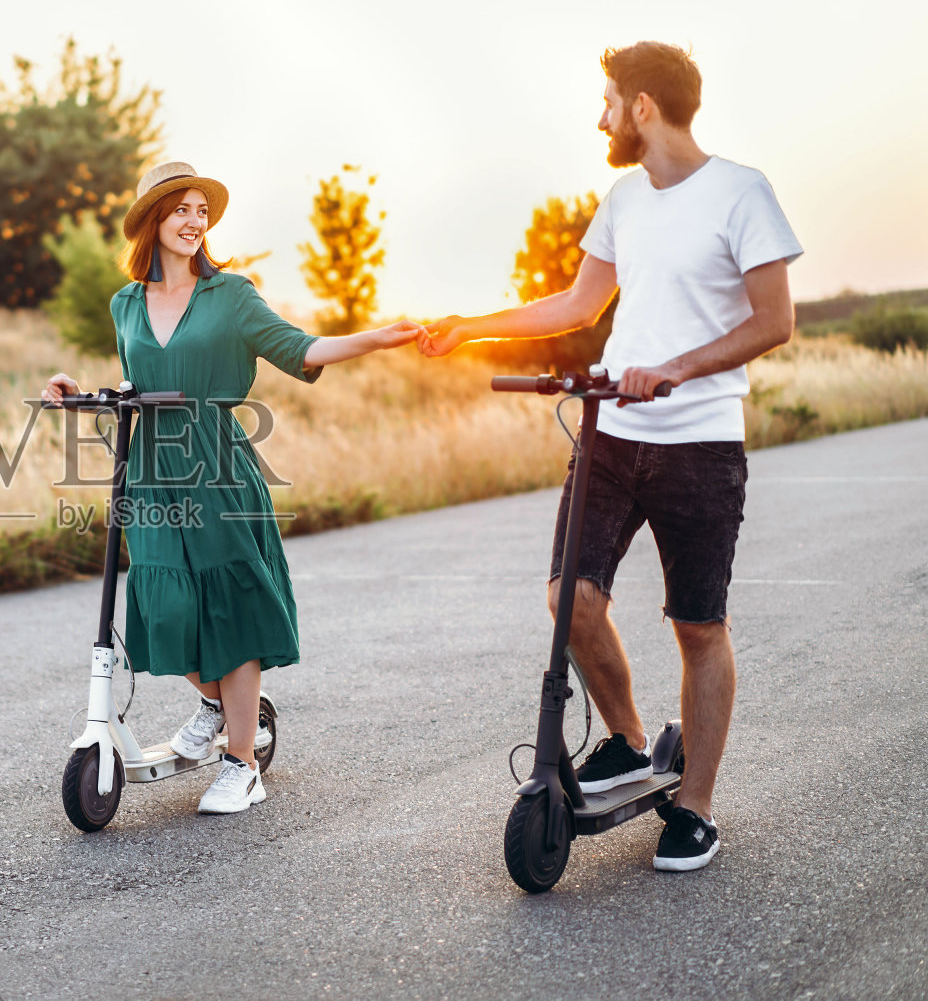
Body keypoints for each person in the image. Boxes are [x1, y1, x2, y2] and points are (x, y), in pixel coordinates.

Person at [420, 42, 802, 871]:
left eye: (607, 102)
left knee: (698, 624)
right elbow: (577, 302)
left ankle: (694, 807)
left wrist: (676, 368)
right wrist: (469, 327)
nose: (600, 118)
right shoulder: (624, 199)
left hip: (700, 442)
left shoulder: (742, 192)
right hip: (613, 435)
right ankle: (627, 740)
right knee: (571, 598)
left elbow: (775, 319)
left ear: (642, 106)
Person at [43, 162, 423, 814]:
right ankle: (220, 704)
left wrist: (380, 338)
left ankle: (242, 763)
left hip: (217, 464)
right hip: (152, 471)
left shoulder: (232, 295)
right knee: (164, 607)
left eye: (201, 211)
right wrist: (78, 392)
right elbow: (139, 379)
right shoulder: (125, 303)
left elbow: (301, 348)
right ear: (154, 220)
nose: (194, 221)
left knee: (230, 608)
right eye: (181, 210)